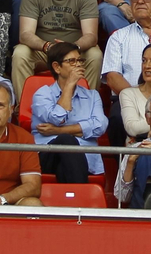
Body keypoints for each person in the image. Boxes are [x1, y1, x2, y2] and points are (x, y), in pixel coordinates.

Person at [13, 0, 101, 99]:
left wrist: (72, 48)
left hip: (75, 50)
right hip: (43, 51)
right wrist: (48, 46)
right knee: (20, 53)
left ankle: (88, 106)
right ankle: (23, 108)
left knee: (95, 54)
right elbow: (25, 34)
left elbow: (91, 36)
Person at [31, 41, 108, 185]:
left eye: (80, 60)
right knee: (67, 141)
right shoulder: (42, 94)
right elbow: (56, 118)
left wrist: (58, 131)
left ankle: (70, 202)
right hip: (47, 156)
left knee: (65, 164)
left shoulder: (92, 96)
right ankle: (82, 201)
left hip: (84, 160)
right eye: (71, 61)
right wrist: (69, 86)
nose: (78, 64)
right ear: (57, 67)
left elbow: (100, 126)